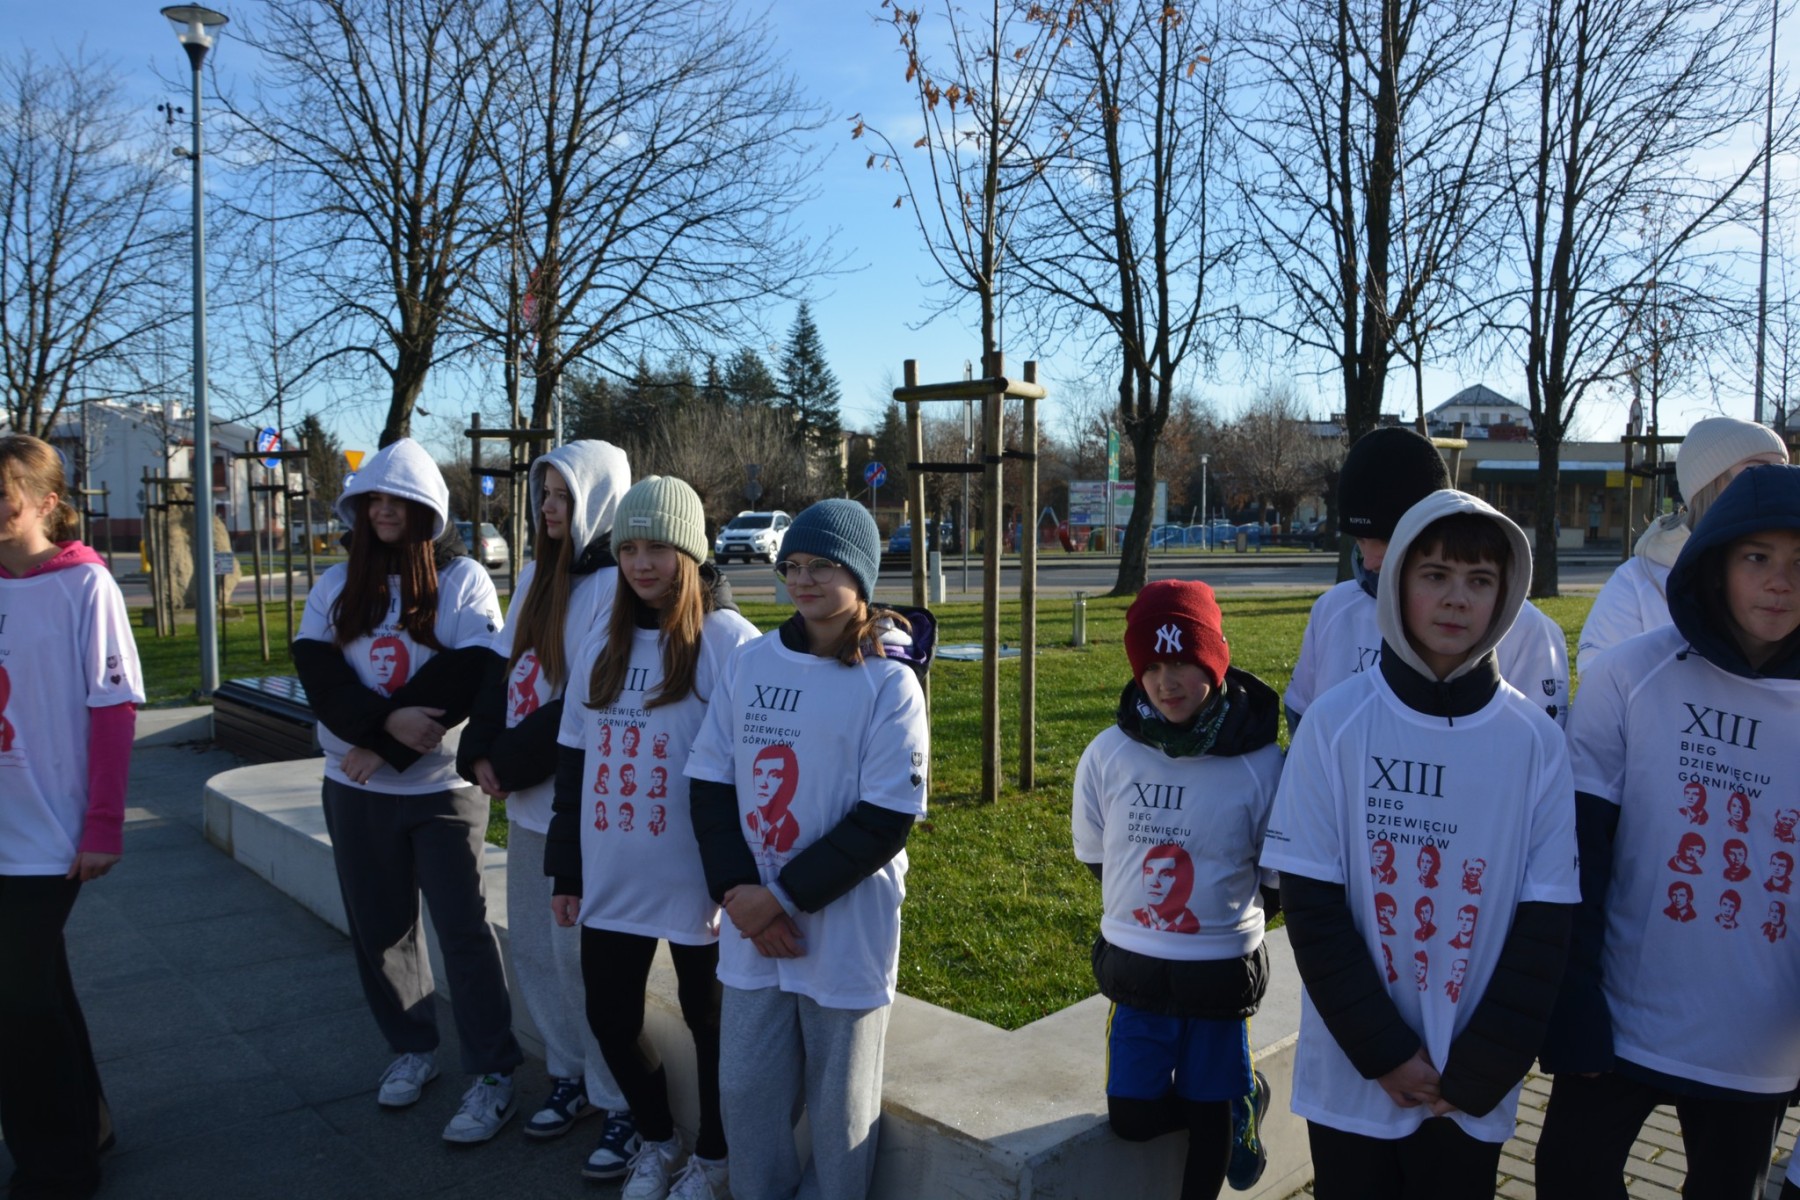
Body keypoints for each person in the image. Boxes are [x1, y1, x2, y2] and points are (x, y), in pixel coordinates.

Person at [1261, 489, 1579, 1199]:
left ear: (1506, 595)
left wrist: (1485, 1068)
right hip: (1353, 1078)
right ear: (1397, 581)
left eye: (1480, 580)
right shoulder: (1335, 724)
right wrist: (1384, 1053)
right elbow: (1312, 906)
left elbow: (1547, 922)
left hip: (1469, 1090)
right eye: (1435, 574)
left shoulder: (1535, 743)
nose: (1457, 598)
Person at [1537, 463, 1800, 1199]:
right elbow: (1578, 852)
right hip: (1623, 1020)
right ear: (1714, 561)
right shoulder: (1631, 675)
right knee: (1567, 1177)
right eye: (1757, 557)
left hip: (1756, 1042)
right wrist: (1573, 1001)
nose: (1780, 583)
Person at [685, 499, 934, 1200]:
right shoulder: (750, 662)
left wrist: (780, 898)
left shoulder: (890, 682)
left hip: (844, 927)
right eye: (792, 565)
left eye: (822, 565)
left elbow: (884, 820)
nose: (802, 579)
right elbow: (709, 783)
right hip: (753, 925)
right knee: (746, 1094)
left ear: (860, 575)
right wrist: (742, 894)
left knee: (839, 1112)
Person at [291, 437, 524, 1144]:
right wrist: (379, 730)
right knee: (381, 930)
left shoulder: (463, 580)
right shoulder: (337, 585)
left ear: (428, 510)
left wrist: (383, 746)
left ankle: (493, 1072)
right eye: (374, 500)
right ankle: (413, 1048)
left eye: (400, 500)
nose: (385, 511)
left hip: (438, 789)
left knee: (462, 931)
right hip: (354, 787)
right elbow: (321, 676)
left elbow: (467, 674)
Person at [546, 476, 758, 1199]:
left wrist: (738, 875)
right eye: (629, 548)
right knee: (608, 1017)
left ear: (690, 554)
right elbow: (574, 762)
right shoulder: (601, 642)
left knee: (710, 1022)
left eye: (658, 549)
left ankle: (716, 1157)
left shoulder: (728, 641)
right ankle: (658, 1138)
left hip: (703, 877)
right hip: (614, 872)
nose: (641, 564)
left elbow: (752, 765)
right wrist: (567, 871)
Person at [1070, 579, 1286, 1199]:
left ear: (1214, 663)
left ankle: (1230, 1103)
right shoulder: (1108, 755)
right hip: (1137, 968)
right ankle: (1242, 1094)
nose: (1167, 683)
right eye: (1152, 667)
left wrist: (1219, 921)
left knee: (1208, 1116)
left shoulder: (1261, 764)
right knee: (1131, 1117)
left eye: (1184, 663)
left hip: (1219, 969)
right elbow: (1099, 856)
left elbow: (1275, 876)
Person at [454, 441, 631, 1152]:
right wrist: (478, 749)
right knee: (532, 946)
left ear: (599, 500)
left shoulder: (617, 584)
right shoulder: (535, 574)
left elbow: (587, 701)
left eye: (563, 497)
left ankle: (618, 1095)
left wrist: (508, 759)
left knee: (579, 957)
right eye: (544, 496)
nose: (548, 509)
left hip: (578, 806)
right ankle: (569, 1073)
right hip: (527, 800)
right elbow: (502, 672)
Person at [0, 434, 144, 1200]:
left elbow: (113, 710)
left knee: (17, 999)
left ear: (45, 502)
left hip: (49, 832)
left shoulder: (87, 586)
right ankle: (87, 1123)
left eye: (1, 496)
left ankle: (56, 1168)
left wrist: (103, 825)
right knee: (37, 985)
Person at [1285, 427, 1570, 731]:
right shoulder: (1333, 609)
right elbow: (1302, 720)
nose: (1369, 561)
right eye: (1360, 540)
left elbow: (1540, 743)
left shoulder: (1526, 631)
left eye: (1386, 539)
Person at [1576, 416, 1788, 671]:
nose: (1776, 486)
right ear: (1708, 485)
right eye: (1757, 472)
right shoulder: (1637, 581)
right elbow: (1600, 677)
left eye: (1783, 471)